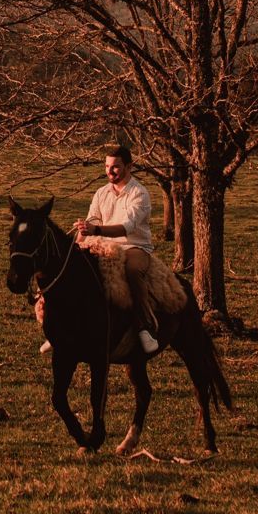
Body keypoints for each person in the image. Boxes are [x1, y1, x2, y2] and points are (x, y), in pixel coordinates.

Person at [74, 141, 161, 354]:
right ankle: (67, 327)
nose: (109, 171)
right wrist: (82, 237)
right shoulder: (101, 192)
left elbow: (126, 228)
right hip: (102, 244)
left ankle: (144, 327)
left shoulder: (139, 194)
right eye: (106, 166)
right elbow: (93, 218)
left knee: (131, 271)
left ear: (129, 167)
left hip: (134, 246)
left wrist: (95, 230)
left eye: (115, 166)